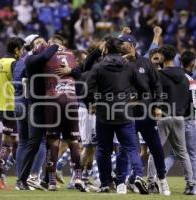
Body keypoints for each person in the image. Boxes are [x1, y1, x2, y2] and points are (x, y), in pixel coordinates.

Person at [85, 37, 148, 194]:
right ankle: (139, 176)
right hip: (124, 112)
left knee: (103, 150)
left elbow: (88, 89)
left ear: (105, 49)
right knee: (132, 147)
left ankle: (105, 184)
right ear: (120, 50)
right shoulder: (129, 67)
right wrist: (135, 98)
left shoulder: (99, 67)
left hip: (104, 113)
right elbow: (144, 87)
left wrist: (92, 104)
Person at [117, 27, 170, 196]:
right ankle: (121, 182)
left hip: (146, 111)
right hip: (126, 112)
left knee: (155, 146)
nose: (120, 45)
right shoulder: (117, 62)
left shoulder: (146, 63)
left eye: (123, 43)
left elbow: (157, 85)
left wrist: (158, 105)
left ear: (132, 45)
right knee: (124, 148)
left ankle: (161, 179)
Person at [163, 50, 196, 195]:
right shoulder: (190, 80)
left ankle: (157, 178)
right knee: (193, 155)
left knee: (173, 154)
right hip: (188, 120)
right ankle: (192, 186)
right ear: (193, 63)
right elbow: (192, 103)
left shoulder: (172, 76)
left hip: (172, 117)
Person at [42, 35, 85, 192]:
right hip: (72, 100)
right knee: (73, 140)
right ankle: (79, 177)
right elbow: (81, 71)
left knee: (53, 140)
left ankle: (52, 181)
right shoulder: (72, 54)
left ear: (51, 43)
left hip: (53, 100)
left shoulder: (46, 53)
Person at [16, 36, 59, 190]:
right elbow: (47, 54)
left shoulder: (48, 60)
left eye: (42, 41)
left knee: (53, 142)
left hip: (52, 105)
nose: (41, 44)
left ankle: (48, 180)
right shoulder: (30, 59)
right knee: (33, 143)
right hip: (37, 107)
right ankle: (22, 179)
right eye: (37, 43)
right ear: (31, 47)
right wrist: (54, 45)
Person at [155, 45, 195, 195]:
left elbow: (157, 94)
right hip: (179, 117)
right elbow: (187, 97)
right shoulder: (184, 75)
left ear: (164, 58)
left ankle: (152, 181)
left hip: (164, 116)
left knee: (156, 150)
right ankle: (191, 184)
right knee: (183, 152)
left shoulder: (159, 74)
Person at [0, 37, 25, 189]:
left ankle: (3, 176)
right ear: (17, 50)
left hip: (1, 106)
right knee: (8, 143)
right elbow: (20, 84)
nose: (22, 53)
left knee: (15, 143)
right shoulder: (14, 63)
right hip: (12, 107)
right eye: (22, 49)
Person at [13, 34, 46, 190]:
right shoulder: (33, 60)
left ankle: (21, 178)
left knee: (23, 142)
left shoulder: (19, 61)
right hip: (29, 103)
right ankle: (33, 176)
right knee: (40, 141)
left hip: (17, 102)